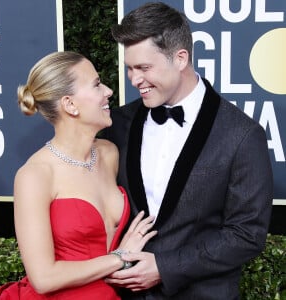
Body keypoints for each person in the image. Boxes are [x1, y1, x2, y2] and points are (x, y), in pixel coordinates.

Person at [101, 2, 273, 299]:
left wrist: (165, 267)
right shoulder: (118, 124)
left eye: (143, 67)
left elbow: (247, 234)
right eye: (129, 68)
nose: (133, 79)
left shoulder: (242, 135)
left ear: (180, 58)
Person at [0, 51, 157, 300]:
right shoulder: (34, 175)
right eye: (97, 84)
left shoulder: (109, 154)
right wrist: (119, 257)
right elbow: (43, 278)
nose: (108, 91)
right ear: (70, 104)